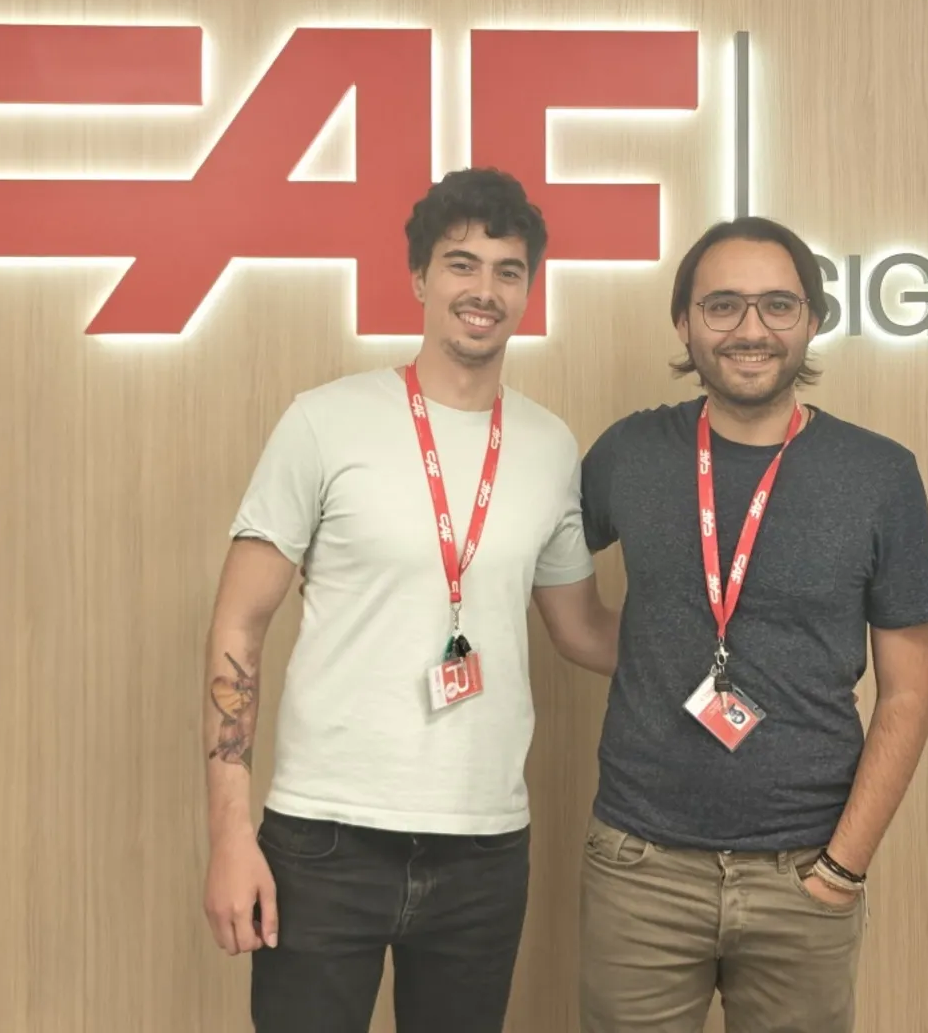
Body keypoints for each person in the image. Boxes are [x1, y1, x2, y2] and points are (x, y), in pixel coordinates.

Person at [199, 167, 619, 1033]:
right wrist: (230, 836)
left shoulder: (547, 445)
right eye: (461, 264)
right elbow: (240, 623)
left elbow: (582, 630)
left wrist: (731, 635)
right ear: (421, 279)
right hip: (323, 838)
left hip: (484, 844)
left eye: (508, 271)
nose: (485, 290)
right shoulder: (324, 420)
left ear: (529, 292)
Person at [573, 216, 928, 1033]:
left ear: (813, 320)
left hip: (804, 871)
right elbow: (541, 573)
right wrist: (646, 656)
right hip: (640, 868)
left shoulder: (880, 475)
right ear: (684, 322)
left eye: (778, 305)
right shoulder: (628, 455)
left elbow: (909, 696)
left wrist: (842, 869)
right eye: (723, 306)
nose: (751, 329)